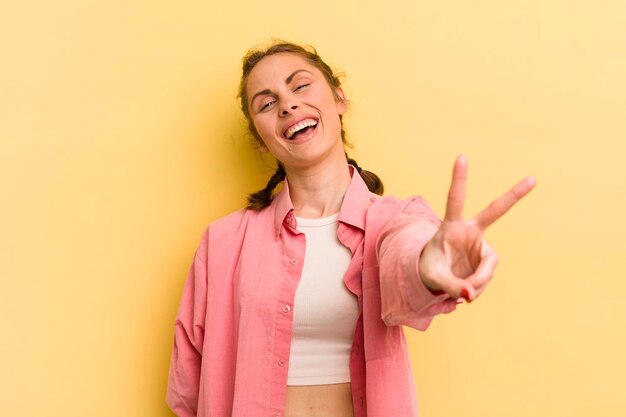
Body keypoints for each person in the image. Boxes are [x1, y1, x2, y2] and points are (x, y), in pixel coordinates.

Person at [166, 41, 535, 417]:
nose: (288, 105)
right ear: (260, 139)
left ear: (339, 98)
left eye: (300, 86)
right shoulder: (222, 242)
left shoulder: (395, 220)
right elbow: (187, 386)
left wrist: (430, 267)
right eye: (267, 102)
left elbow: (406, 253)